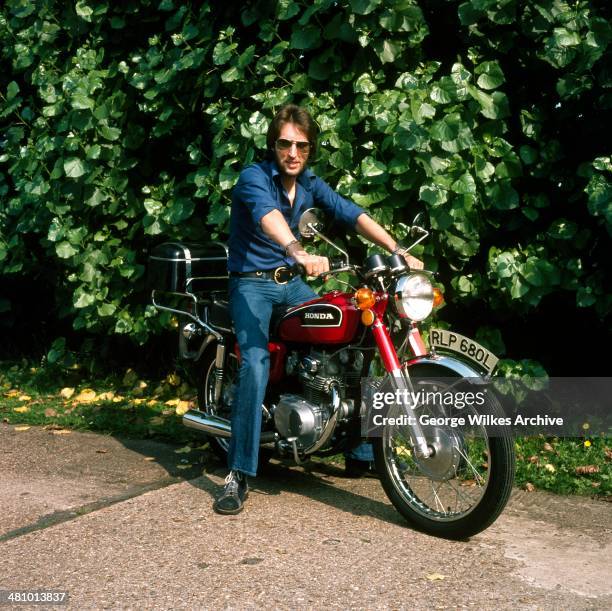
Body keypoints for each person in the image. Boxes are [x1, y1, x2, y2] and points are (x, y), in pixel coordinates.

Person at [213, 104, 423, 514]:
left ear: (309, 150)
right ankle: (237, 473)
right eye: (285, 144)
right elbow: (268, 217)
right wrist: (295, 249)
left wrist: (396, 250)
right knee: (254, 361)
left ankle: (358, 449)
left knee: (350, 339)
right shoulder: (254, 178)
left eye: (302, 146)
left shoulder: (309, 183)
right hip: (252, 284)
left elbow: (350, 212)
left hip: (290, 285)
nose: (293, 153)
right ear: (273, 144)